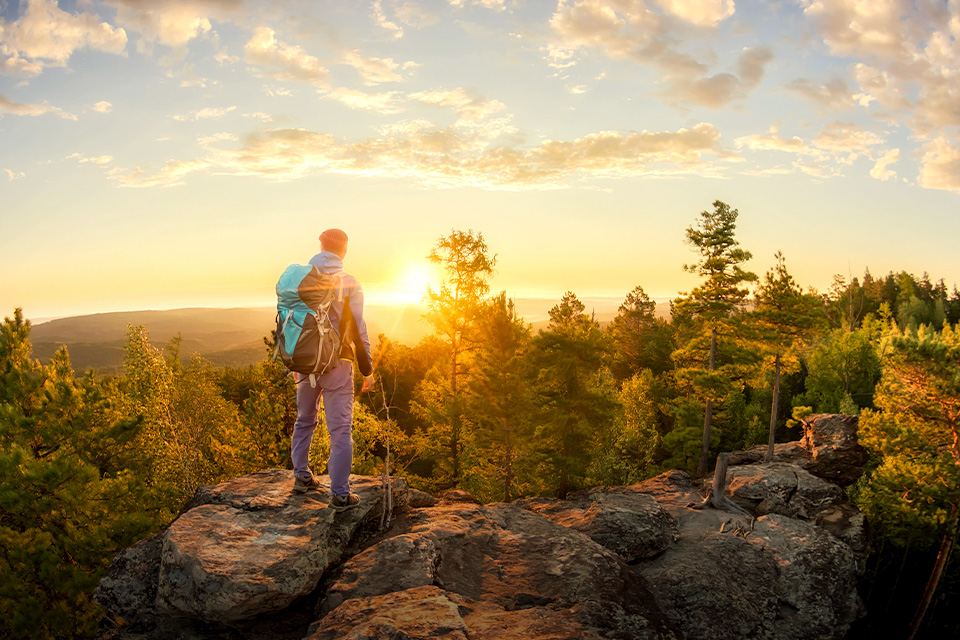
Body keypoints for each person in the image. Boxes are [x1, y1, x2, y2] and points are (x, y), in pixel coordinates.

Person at [290, 228, 375, 509]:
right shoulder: (350, 283)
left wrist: (296, 360)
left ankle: (301, 476)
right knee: (340, 430)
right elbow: (358, 329)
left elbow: (293, 321)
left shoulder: (303, 280)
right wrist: (367, 369)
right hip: (338, 364)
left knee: (305, 419)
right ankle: (339, 494)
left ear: (321, 245)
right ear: (344, 250)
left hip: (305, 363)